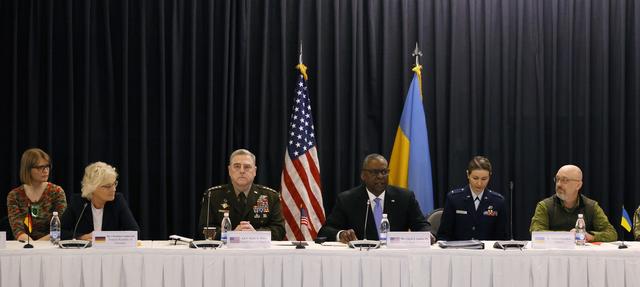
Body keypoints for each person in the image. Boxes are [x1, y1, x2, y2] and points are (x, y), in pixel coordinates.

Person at [318, 154, 430, 243]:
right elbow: (326, 231)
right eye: (374, 172)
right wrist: (342, 234)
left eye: (384, 172)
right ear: (363, 175)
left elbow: (422, 226)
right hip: (360, 258)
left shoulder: (404, 197)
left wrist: (428, 234)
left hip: (396, 259)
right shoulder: (347, 199)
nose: (380, 176)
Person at [198, 149, 285, 240]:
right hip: (224, 252)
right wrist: (231, 235)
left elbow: (280, 230)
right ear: (229, 170)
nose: (242, 171)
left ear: (255, 171)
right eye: (237, 166)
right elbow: (204, 229)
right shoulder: (212, 196)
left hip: (258, 251)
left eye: (247, 167)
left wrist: (256, 234)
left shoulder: (271, 196)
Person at [529, 165, 616, 242]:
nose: (559, 184)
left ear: (578, 185)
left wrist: (590, 236)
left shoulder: (591, 206)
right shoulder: (544, 206)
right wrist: (568, 236)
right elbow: (536, 232)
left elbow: (611, 233)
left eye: (565, 180)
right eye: (557, 179)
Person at [61, 162, 139, 240]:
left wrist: (105, 239)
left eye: (114, 184)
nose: (114, 189)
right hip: (85, 251)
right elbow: (60, 232)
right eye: (108, 186)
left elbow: (135, 232)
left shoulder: (118, 201)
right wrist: (82, 237)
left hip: (110, 251)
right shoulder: (78, 202)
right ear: (92, 188)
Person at [438, 156, 507, 241]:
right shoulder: (454, 199)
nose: (479, 183)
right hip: (459, 252)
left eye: (484, 179)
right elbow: (443, 235)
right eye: (475, 178)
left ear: (490, 176)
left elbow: (501, 238)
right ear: (468, 174)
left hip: (487, 253)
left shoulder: (498, 201)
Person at [7, 148, 67, 241]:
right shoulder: (14, 195)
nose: (46, 170)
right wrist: (31, 245)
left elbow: (61, 227)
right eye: (40, 167)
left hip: (51, 245)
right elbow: (18, 230)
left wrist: (37, 245)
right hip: (24, 246)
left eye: (47, 166)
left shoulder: (57, 192)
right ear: (27, 169)